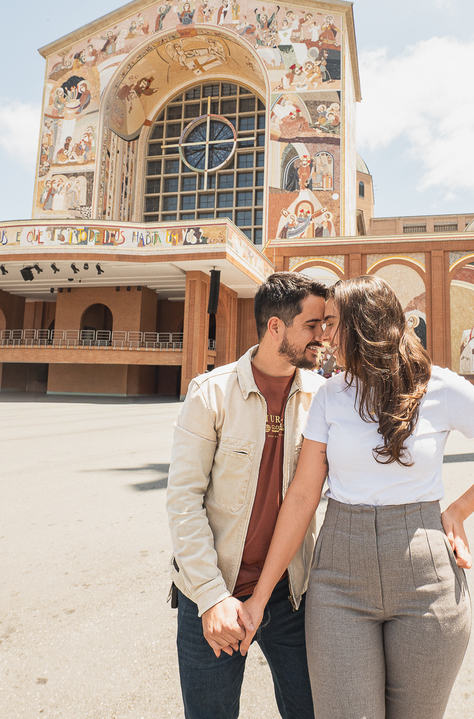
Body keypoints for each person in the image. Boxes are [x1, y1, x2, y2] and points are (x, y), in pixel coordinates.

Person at [240, 275, 474, 718]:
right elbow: (302, 498)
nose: (323, 334)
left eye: (332, 322)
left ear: (364, 325)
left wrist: (458, 510)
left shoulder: (442, 388)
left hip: (426, 577)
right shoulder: (329, 398)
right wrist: (261, 596)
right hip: (339, 578)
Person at [167, 272, 331, 719]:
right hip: (214, 597)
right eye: (312, 326)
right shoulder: (211, 394)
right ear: (275, 327)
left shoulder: (323, 398)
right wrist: (211, 597)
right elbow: (183, 500)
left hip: (290, 595)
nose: (323, 336)